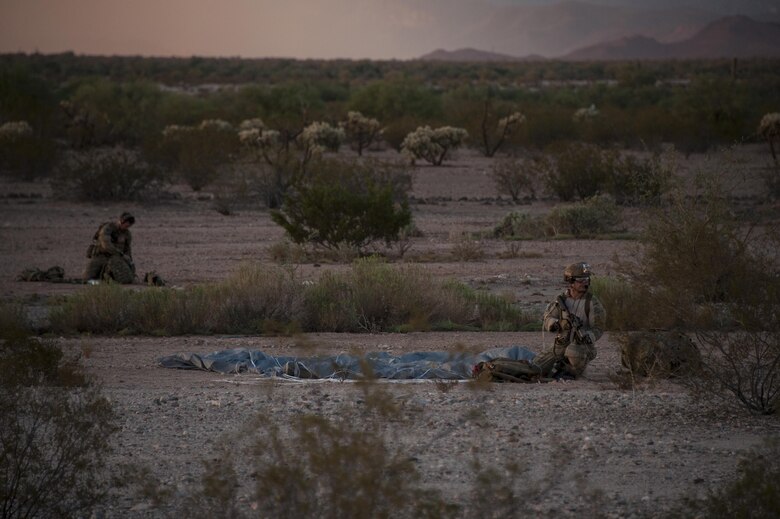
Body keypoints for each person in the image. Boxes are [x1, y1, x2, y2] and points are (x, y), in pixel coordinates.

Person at [534, 261, 606, 379]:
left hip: (582, 346)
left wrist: (588, 336)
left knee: (573, 352)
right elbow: (547, 318)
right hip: (561, 344)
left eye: (587, 280)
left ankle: (575, 373)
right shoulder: (561, 300)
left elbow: (599, 328)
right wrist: (557, 324)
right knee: (536, 367)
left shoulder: (592, 303)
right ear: (571, 281)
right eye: (581, 280)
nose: (585, 283)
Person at [83, 211, 136, 283]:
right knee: (86, 278)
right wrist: (120, 254)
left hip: (116, 259)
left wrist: (129, 262)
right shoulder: (108, 228)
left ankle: (108, 274)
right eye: (126, 225)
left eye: (128, 226)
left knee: (126, 279)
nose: (127, 227)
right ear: (121, 221)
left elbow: (127, 249)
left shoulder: (127, 234)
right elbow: (106, 245)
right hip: (101, 256)